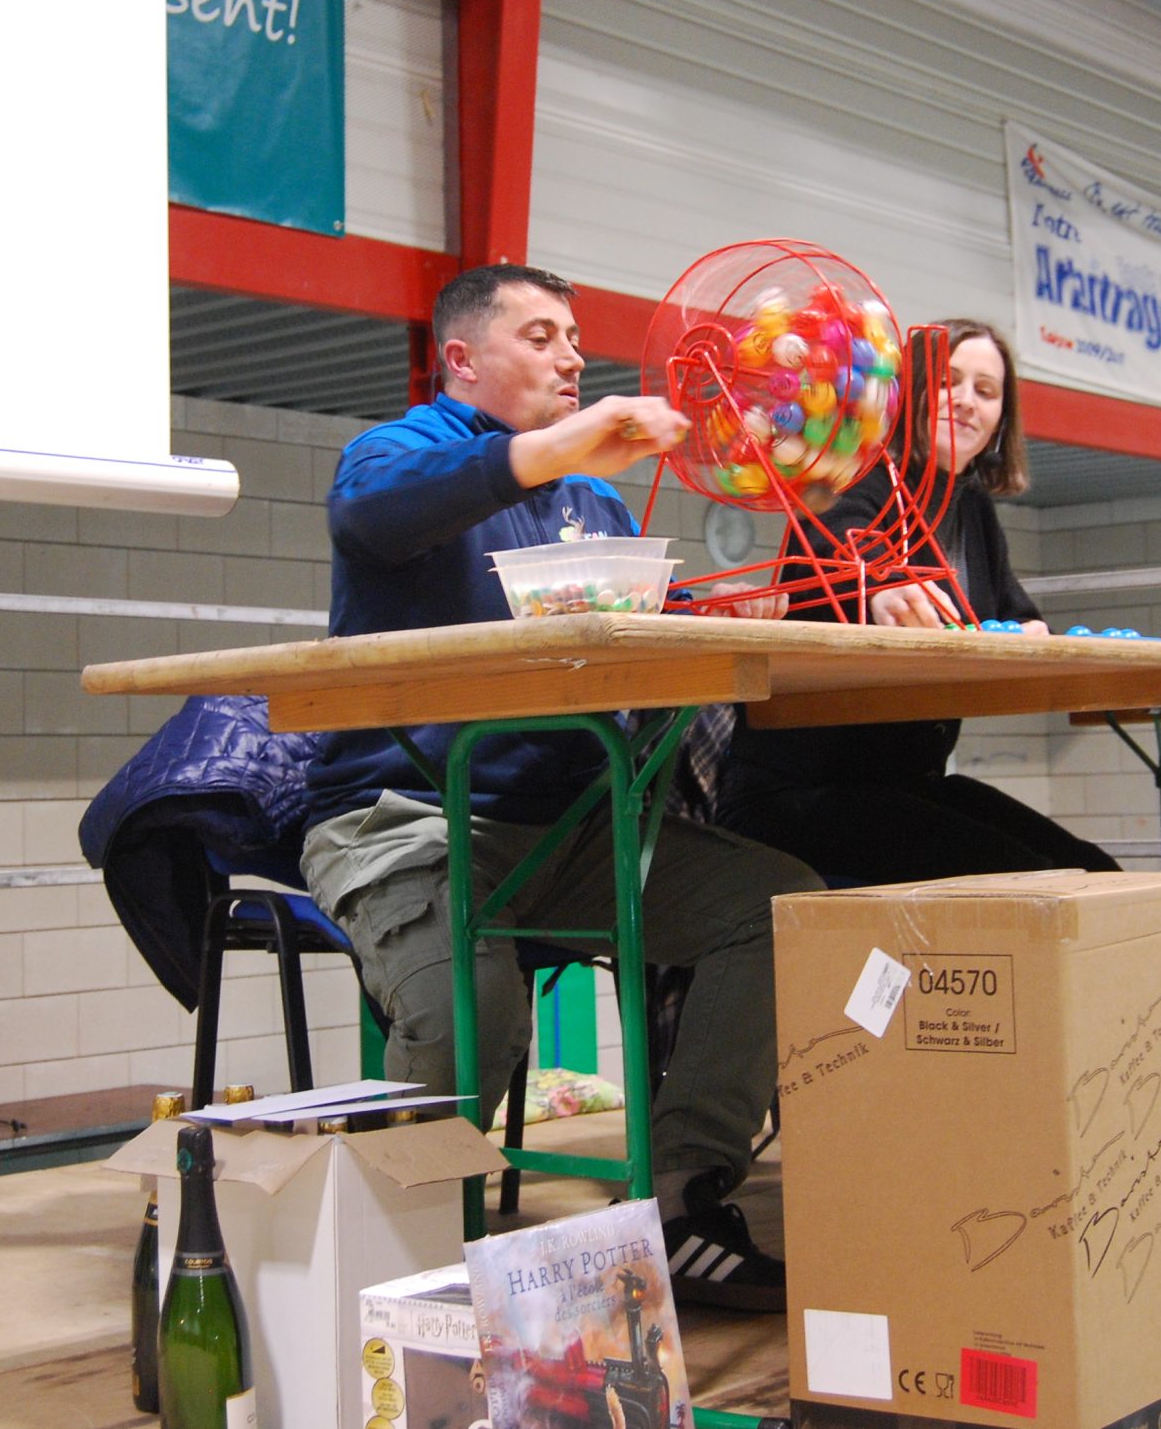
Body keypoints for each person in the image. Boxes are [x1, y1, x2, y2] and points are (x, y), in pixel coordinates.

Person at [299, 263, 818, 1311]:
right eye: (540, 336)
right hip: (406, 823)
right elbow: (374, 520)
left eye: (574, 338)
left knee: (774, 907)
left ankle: (680, 1201)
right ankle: (393, 1262)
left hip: (566, 832)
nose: (572, 357)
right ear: (460, 358)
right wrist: (555, 448)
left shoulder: (593, 500)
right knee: (473, 1010)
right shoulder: (393, 452)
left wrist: (760, 614)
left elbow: (651, 637)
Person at [710, 316, 1123, 884]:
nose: (966, 401)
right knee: (1033, 880)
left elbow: (1018, 615)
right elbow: (842, 539)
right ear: (911, 396)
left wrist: (1031, 632)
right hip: (799, 795)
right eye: (948, 381)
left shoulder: (972, 508)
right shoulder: (856, 473)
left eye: (986, 391)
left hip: (908, 787)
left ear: (1002, 420)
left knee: (1096, 871)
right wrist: (882, 585)